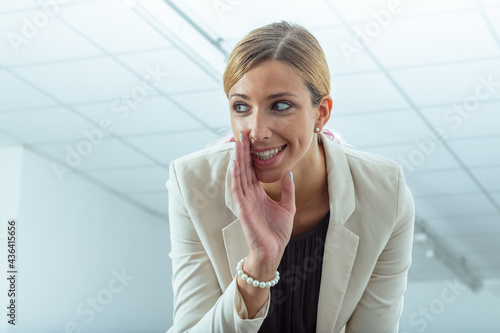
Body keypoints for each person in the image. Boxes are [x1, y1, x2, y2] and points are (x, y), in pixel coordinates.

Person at [165, 20, 415, 333]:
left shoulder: (384, 192)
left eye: (280, 105)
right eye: (241, 107)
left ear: (321, 113)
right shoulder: (194, 183)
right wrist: (258, 266)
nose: (257, 131)